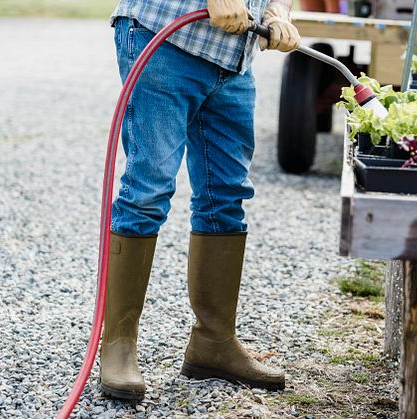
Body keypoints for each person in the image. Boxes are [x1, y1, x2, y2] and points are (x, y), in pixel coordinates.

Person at [100, 0, 300, 400]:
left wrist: (278, 11)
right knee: (148, 189)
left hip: (233, 55)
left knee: (227, 194)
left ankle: (214, 342)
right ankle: (117, 344)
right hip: (166, 37)